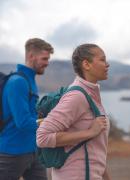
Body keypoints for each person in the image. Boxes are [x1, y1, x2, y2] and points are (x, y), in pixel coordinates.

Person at [36, 43, 111, 180]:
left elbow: (95, 148)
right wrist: (90, 132)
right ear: (86, 65)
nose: (107, 64)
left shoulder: (90, 94)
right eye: (102, 59)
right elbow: (42, 137)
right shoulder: (77, 96)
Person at [0, 38, 54, 180]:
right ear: (31, 56)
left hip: (33, 151)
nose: (47, 63)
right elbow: (23, 122)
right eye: (44, 58)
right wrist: (52, 123)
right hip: (11, 153)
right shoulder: (17, 82)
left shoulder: (29, 80)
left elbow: (32, 115)